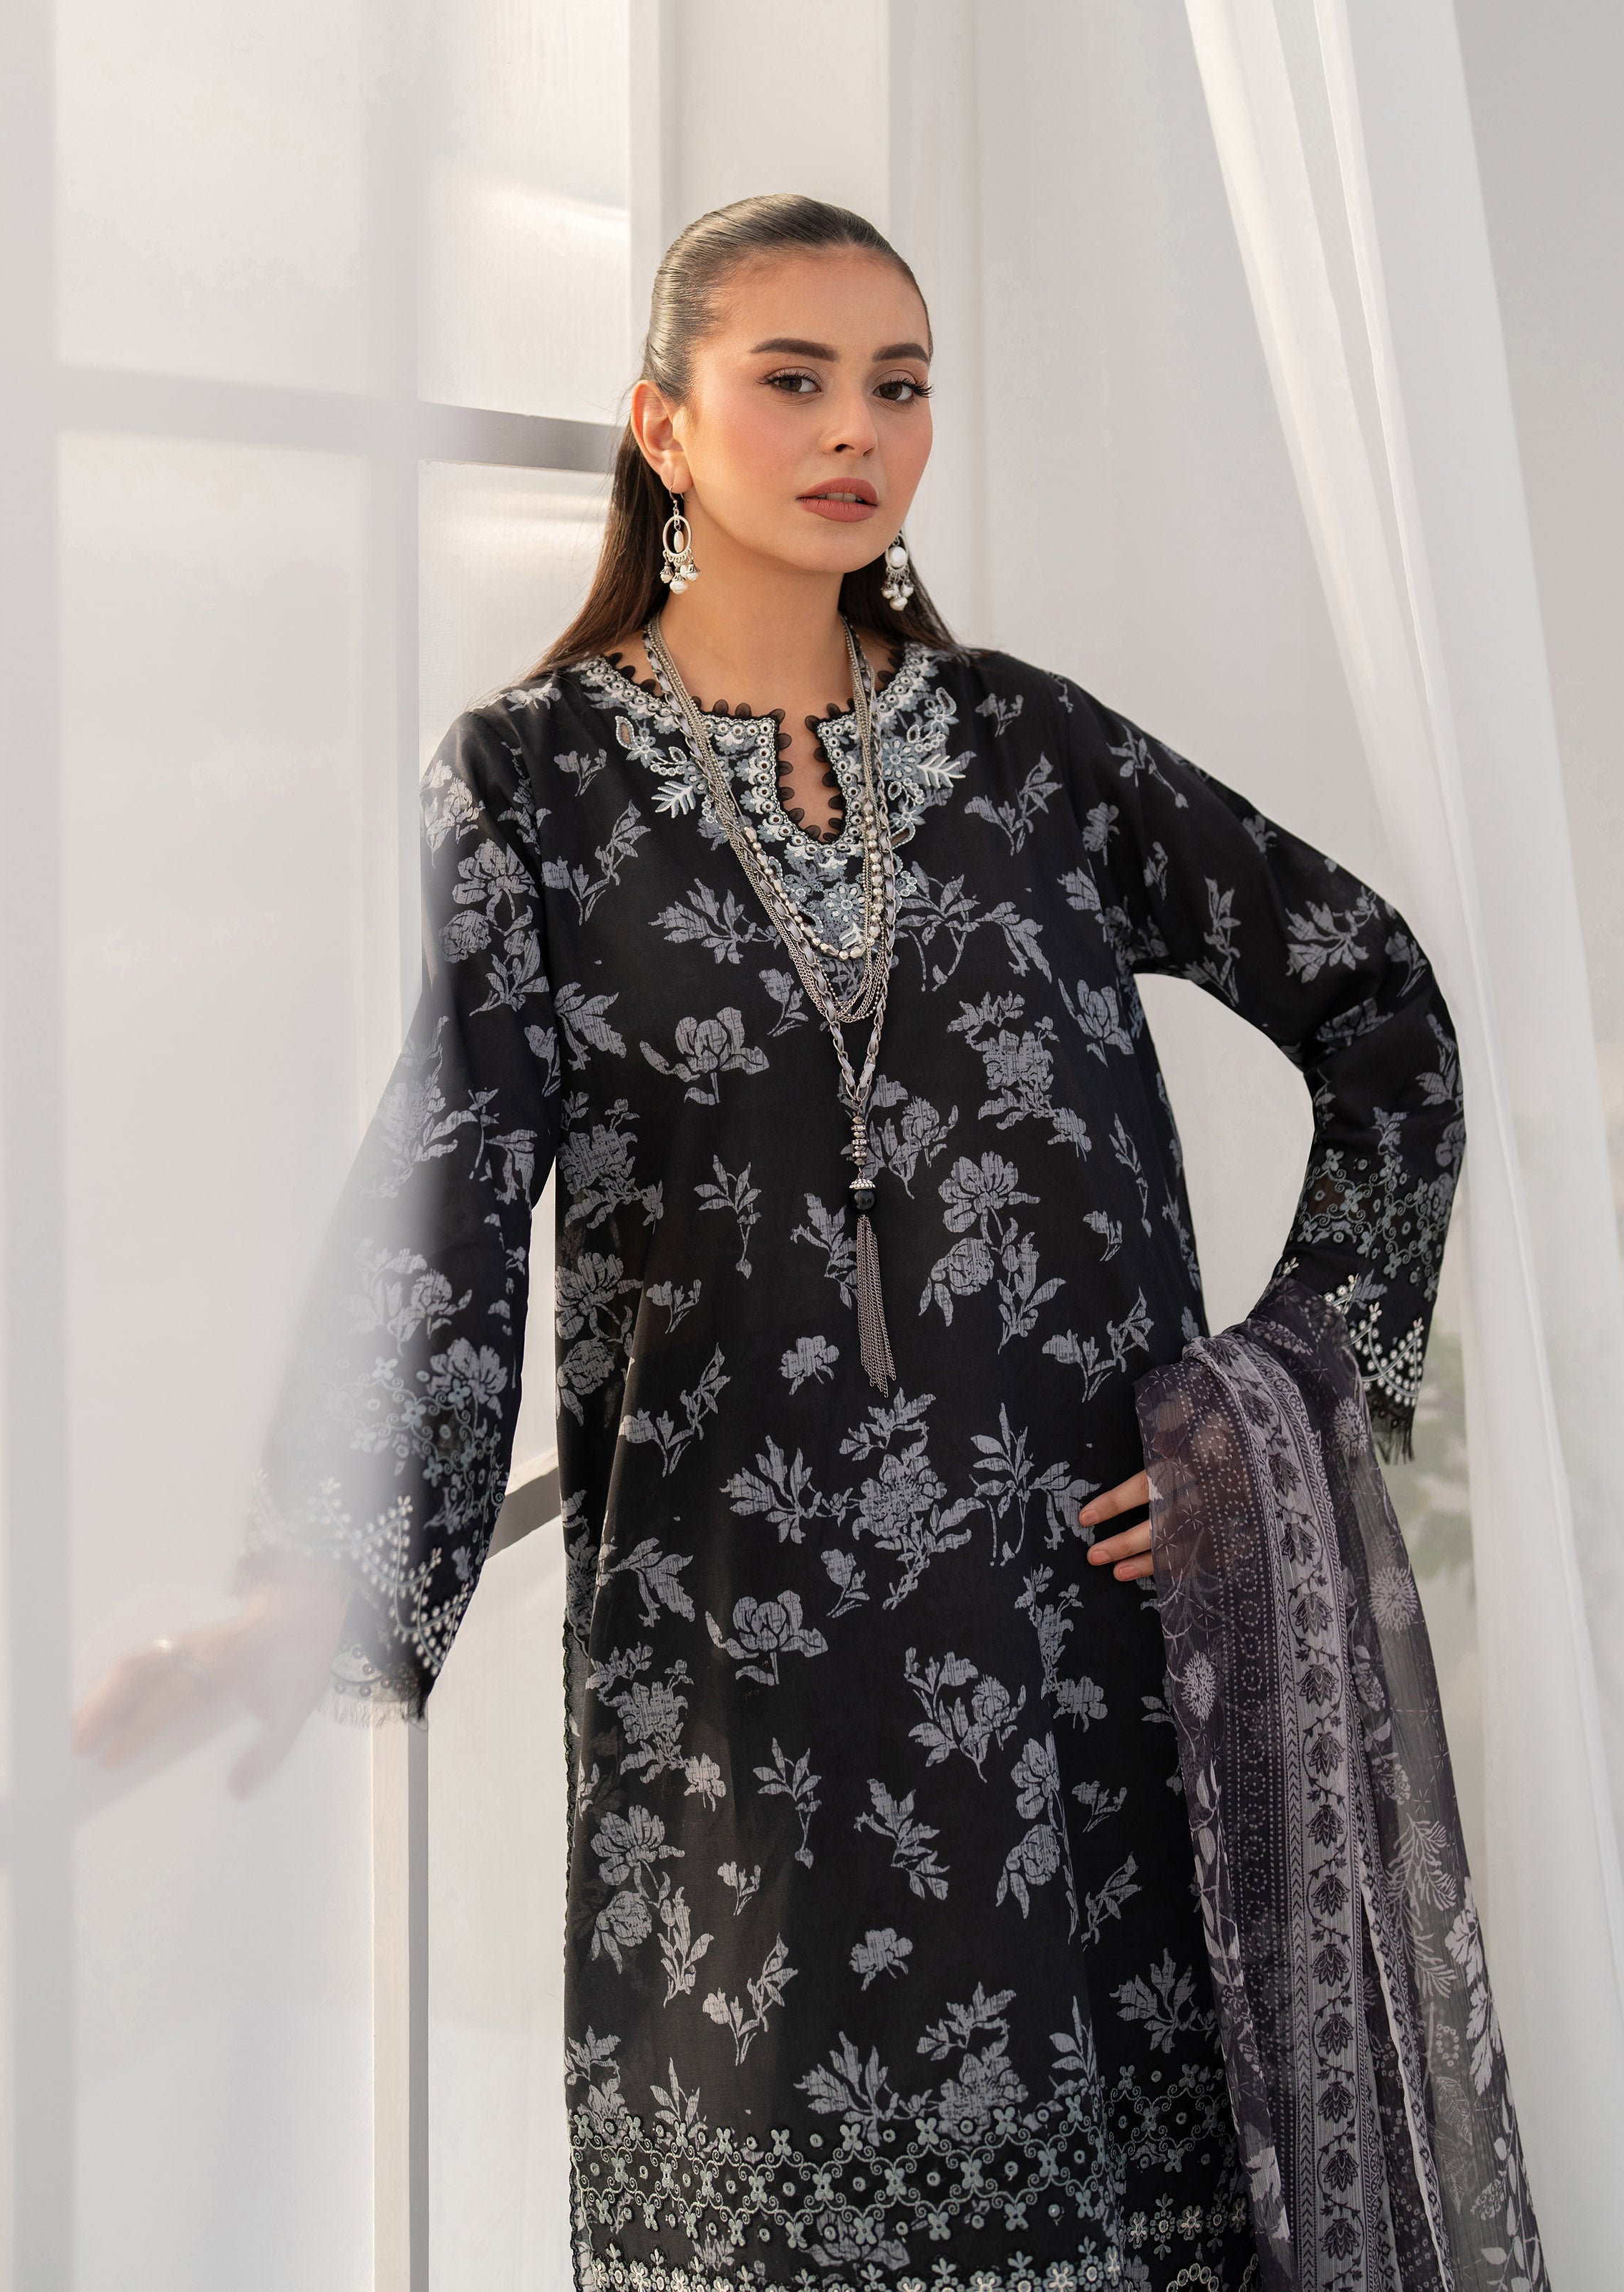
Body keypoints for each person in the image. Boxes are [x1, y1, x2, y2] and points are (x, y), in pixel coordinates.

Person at [76, 195, 1464, 2292]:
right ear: (661, 424)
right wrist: (305, 1584)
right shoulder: (535, 786)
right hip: (738, 1675)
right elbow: (454, 1173)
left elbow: (1381, 1008)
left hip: (1074, 1640)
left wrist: (1273, 1402)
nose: (855, 431)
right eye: (792, 380)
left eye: (899, 386)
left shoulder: (1035, 753)